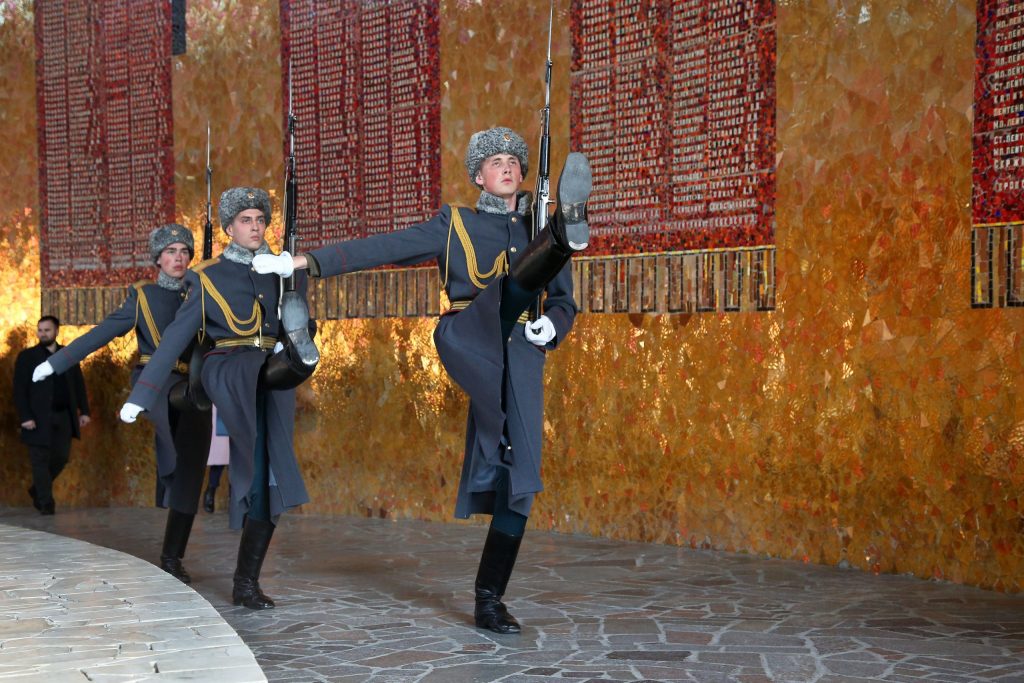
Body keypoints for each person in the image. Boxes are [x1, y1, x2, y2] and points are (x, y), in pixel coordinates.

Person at [254, 127, 591, 633]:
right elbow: (386, 246)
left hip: (520, 350)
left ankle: (489, 599)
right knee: (516, 282)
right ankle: (572, 232)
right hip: (469, 333)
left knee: (521, 477)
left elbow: (564, 302)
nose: (509, 168)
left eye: (516, 163)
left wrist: (554, 325)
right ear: (478, 175)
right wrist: (306, 261)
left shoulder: (532, 225)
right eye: (497, 161)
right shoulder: (453, 223)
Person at [119, 187, 316, 610]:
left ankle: (246, 583)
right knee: (252, 460)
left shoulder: (284, 269)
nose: (256, 227)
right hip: (230, 370)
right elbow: (175, 338)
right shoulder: (206, 277)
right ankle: (224, 562)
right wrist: (144, 392)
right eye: (246, 220)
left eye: (261, 220)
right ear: (229, 228)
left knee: (273, 474)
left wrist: (299, 331)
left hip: (273, 373)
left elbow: (301, 321)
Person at [32, 225, 212, 582]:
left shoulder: (203, 294)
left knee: (192, 473)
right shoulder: (143, 296)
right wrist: (56, 363)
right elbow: (102, 333)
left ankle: (172, 557)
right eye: (171, 251)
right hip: (155, 382)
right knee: (176, 447)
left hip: (194, 387)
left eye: (184, 251)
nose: (179, 258)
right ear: (158, 258)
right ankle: (171, 465)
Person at [13, 315, 91, 514]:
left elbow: (78, 384)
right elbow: (19, 390)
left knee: (61, 457)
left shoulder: (68, 354)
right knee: (39, 460)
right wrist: (25, 417)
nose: (43, 334)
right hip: (37, 418)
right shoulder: (27, 357)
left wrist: (84, 411)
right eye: (40, 330)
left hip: (64, 415)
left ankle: (38, 490)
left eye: (47, 330)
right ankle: (46, 504)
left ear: (56, 331)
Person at [203, 404, 230, 513]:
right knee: (220, 458)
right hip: (220, 409)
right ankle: (210, 491)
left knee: (236, 463)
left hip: (236, 407)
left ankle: (235, 499)